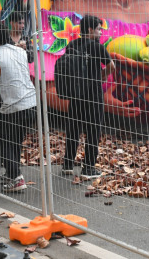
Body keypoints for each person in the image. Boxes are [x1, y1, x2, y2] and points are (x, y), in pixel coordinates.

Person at [60, 15, 115, 180]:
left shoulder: (72, 45)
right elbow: (111, 66)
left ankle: (68, 164)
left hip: (75, 94)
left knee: (73, 129)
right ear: (90, 30)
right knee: (93, 130)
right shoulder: (97, 47)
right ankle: (88, 168)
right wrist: (101, 75)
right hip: (92, 94)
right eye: (99, 29)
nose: (100, 33)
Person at [0, 20, 36, 193]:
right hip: (31, 102)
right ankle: (14, 172)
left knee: (2, 140)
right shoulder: (19, 51)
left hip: (13, 106)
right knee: (15, 139)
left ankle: (16, 177)